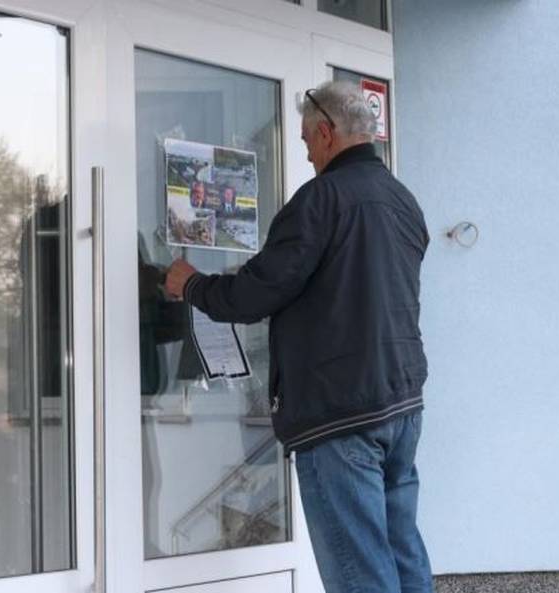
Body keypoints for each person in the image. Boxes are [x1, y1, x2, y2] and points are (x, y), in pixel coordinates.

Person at [165, 81, 433, 593]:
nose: (306, 152)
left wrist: (192, 284)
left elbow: (256, 294)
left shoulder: (320, 200)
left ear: (328, 133)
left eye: (308, 139)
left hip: (340, 416)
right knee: (403, 556)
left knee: (361, 575)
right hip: (400, 407)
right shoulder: (403, 201)